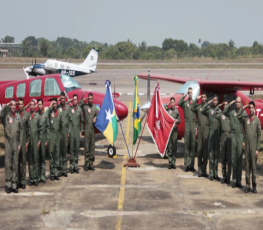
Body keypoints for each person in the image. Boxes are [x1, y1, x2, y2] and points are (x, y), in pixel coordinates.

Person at [237, 101, 261, 193]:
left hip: (254, 146)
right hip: (247, 146)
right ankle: (247, 186)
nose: (251, 109)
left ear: (254, 109)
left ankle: (254, 186)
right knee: (247, 166)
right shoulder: (245, 119)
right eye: (249, 108)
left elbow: (259, 135)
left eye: (252, 108)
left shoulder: (257, 120)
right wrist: (243, 107)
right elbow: (238, 116)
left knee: (254, 167)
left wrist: (257, 149)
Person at [0, 100, 23, 193]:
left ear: (16, 106)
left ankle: (14, 184)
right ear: (10, 106)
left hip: (16, 143)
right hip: (8, 143)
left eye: (14, 105)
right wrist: (6, 105)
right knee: (8, 164)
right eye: (12, 105)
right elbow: (1, 114)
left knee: (15, 164)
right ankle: (8, 184)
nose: (13, 106)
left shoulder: (18, 117)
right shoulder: (6, 116)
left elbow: (21, 131)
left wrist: (20, 144)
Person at [223, 97, 246, 188]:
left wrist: (244, 141)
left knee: (239, 159)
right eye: (236, 102)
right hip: (233, 136)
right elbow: (224, 111)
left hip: (240, 136)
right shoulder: (231, 112)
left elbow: (246, 129)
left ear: (241, 103)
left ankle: (239, 181)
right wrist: (230, 103)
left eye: (239, 102)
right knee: (233, 159)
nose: (238, 104)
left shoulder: (243, 113)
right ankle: (234, 180)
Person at [202, 95, 221, 181]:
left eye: (216, 100)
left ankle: (215, 173)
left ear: (218, 101)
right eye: (213, 100)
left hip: (217, 133)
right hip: (211, 132)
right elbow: (202, 110)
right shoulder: (209, 110)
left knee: (216, 154)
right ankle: (211, 173)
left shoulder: (220, 111)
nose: (215, 102)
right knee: (211, 154)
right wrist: (207, 103)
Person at [191, 94, 209, 177]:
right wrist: (195, 99)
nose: (203, 98)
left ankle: (204, 170)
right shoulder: (198, 107)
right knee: (199, 151)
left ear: (206, 98)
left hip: (206, 130)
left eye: (205, 97)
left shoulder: (208, 108)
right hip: (200, 130)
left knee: (205, 152)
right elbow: (192, 108)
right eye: (202, 97)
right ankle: (200, 170)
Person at [213, 99, 231, 184]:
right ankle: (224, 176)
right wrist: (218, 106)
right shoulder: (221, 115)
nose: (225, 106)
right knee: (223, 158)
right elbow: (213, 114)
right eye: (224, 105)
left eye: (227, 104)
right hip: (223, 136)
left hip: (230, 137)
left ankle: (228, 176)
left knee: (229, 158)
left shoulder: (231, 115)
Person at [178, 87, 196, 172]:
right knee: (187, 146)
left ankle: (192, 164)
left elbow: (199, 114)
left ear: (193, 94)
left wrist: (197, 125)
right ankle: (187, 164)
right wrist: (184, 95)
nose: (190, 94)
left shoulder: (194, 103)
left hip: (193, 124)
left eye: (191, 93)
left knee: (192, 145)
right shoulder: (185, 104)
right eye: (189, 93)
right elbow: (179, 102)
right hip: (187, 124)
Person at [79, 93, 97, 171]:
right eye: (89, 99)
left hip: (92, 129)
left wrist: (95, 118)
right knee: (86, 147)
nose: (90, 100)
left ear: (93, 99)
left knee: (92, 147)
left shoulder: (94, 107)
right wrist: (84, 99)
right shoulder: (85, 106)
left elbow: (97, 115)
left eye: (91, 99)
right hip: (86, 128)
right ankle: (86, 164)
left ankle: (91, 164)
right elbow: (79, 104)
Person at [26, 100, 43, 186]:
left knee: (36, 160)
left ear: (35, 106)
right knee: (30, 160)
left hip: (36, 140)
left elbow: (40, 129)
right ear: (29, 106)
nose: (32, 106)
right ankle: (31, 178)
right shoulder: (27, 116)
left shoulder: (38, 116)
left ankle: (36, 178)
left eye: (33, 105)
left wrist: (39, 140)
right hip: (29, 141)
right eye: (30, 105)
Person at [67, 94, 83, 173]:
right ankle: (71, 166)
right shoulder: (69, 109)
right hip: (71, 131)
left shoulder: (79, 109)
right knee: (72, 149)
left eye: (76, 99)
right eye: (73, 99)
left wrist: (81, 131)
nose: (75, 101)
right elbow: (68, 121)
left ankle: (75, 166)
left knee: (77, 149)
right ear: (72, 100)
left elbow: (82, 121)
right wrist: (68, 132)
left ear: (77, 101)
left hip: (77, 131)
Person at [47, 98, 63, 181]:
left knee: (57, 154)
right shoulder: (50, 112)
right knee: (51, 154)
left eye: (55, 104)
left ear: (57, 104)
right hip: (52, 134)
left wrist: (60, 136)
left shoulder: (60, 113)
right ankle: (52, 173)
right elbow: (46, 115)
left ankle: (56, 173)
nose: (54, 105)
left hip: (57, 135)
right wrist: (50, 105)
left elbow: (61, 125)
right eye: (53, 104)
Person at [17, 98, 29, 189]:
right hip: (17, 141)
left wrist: (27, 142)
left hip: (24, 140)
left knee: (24, 162)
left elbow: (28, 130)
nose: (20, 106)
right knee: (17, 162)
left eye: (22, 104)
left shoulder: (26, 115)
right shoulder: (15, 114)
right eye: (19, 104)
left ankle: (23, 181)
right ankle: (18, 181)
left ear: (24, 104)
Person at [57, 92, 71, 177]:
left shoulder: (67, 108)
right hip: (59, 131)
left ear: (65, 99)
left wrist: (68, 132)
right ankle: (59, 169)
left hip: (65, 131)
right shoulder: (57, 108)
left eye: (63, 98)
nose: (62, 100)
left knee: (64, 150)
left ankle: (64, 169)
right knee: (59, 151)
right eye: (61, 98)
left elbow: (70, 121)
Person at [36, 99, 50, 183]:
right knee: (38, 158)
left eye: (41, 104)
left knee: (43, 157)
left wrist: (47, 140)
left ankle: (42, 176)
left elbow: (48, 127)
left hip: (44, 137)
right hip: (37, 138)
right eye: (38, 105)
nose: (40, 106)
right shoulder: (36, 115)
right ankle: (38, 176)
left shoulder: (45, 115)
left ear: (43, 105)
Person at [166, 97, 181, 169]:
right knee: (170, 147)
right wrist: (167, 104)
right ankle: (170, 162)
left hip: (174, 131)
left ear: (175, 103)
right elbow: (162, 108)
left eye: (173, 102)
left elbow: (180, 120)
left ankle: (173, 163)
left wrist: (177, 120)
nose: (172, 104)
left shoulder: (176, 111)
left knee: (174, 147)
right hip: (169, 132)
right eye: (171, 102)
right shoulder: (168, 110)